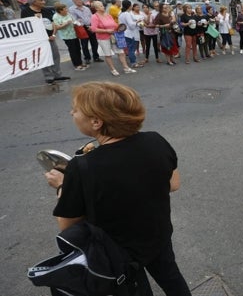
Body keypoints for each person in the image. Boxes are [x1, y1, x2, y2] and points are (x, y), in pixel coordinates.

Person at [44, 81, 192, 296]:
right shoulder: (155, 141)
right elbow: (173, 183)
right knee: (171, 278)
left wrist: (61, 187)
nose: (71, 113)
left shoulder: (83, 166)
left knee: (134, 289)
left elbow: (68, 226)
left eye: (75, 110)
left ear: (96, 122)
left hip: (116, 252)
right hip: (157, 236)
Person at [21, 0, 70, 84]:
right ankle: (49, 76)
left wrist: (54, 35)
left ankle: (58, 75)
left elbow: (53, 24)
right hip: (38, 40)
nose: (44, 2)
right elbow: (25, 27)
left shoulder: (46, 10)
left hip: (50, 38)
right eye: (41, 0)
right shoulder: (26, 12)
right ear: (34, 2)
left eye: (44, 0)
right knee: (43, 58)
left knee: (55, 56)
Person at [90, 1, 135, 76]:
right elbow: (94, 29)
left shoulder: (108, 15)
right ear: (96, 8)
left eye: (102, 5)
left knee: (121, 52)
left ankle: (126, 68)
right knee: (108, 54)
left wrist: (120, 27)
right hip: (103, 38)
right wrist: (106, 30)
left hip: (114, 36)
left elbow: (114, 25)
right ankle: (113, 69)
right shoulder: (94, 17)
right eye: (101, 6)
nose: (103, 7)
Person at [52, 2, 87, 71]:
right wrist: (65, 24)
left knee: (78, 48)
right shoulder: (55, 16)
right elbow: (57, 27)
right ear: (60, 10)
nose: (67, 10)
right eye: (65, 9)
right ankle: (76, 64)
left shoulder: (68, 14)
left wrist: (77, 22)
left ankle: (80, 62)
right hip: (66, 36)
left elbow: (73, 21)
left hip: (74, 33)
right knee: (72, 50)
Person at [69, 0, 101, 64]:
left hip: (90, 26)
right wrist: (81, 23)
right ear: (73, 1)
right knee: (84, 44)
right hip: (82, 28)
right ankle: (87, 58)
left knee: (94, 43)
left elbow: (91, 17)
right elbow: (74, 20)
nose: (79, 1)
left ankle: (96, 57)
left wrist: (92, 26)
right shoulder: (72, 9)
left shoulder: (86, 8)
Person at [118, 1, 143, 69]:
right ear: (129, 6)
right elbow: (131, 25)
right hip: (130, 33)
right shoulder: (127, 14)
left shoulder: (121, 13)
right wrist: (137, 21)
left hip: (124, 33)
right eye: (131, 5)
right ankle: (133, 63)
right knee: (131, 49)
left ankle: (134, 61)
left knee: (129, 48)